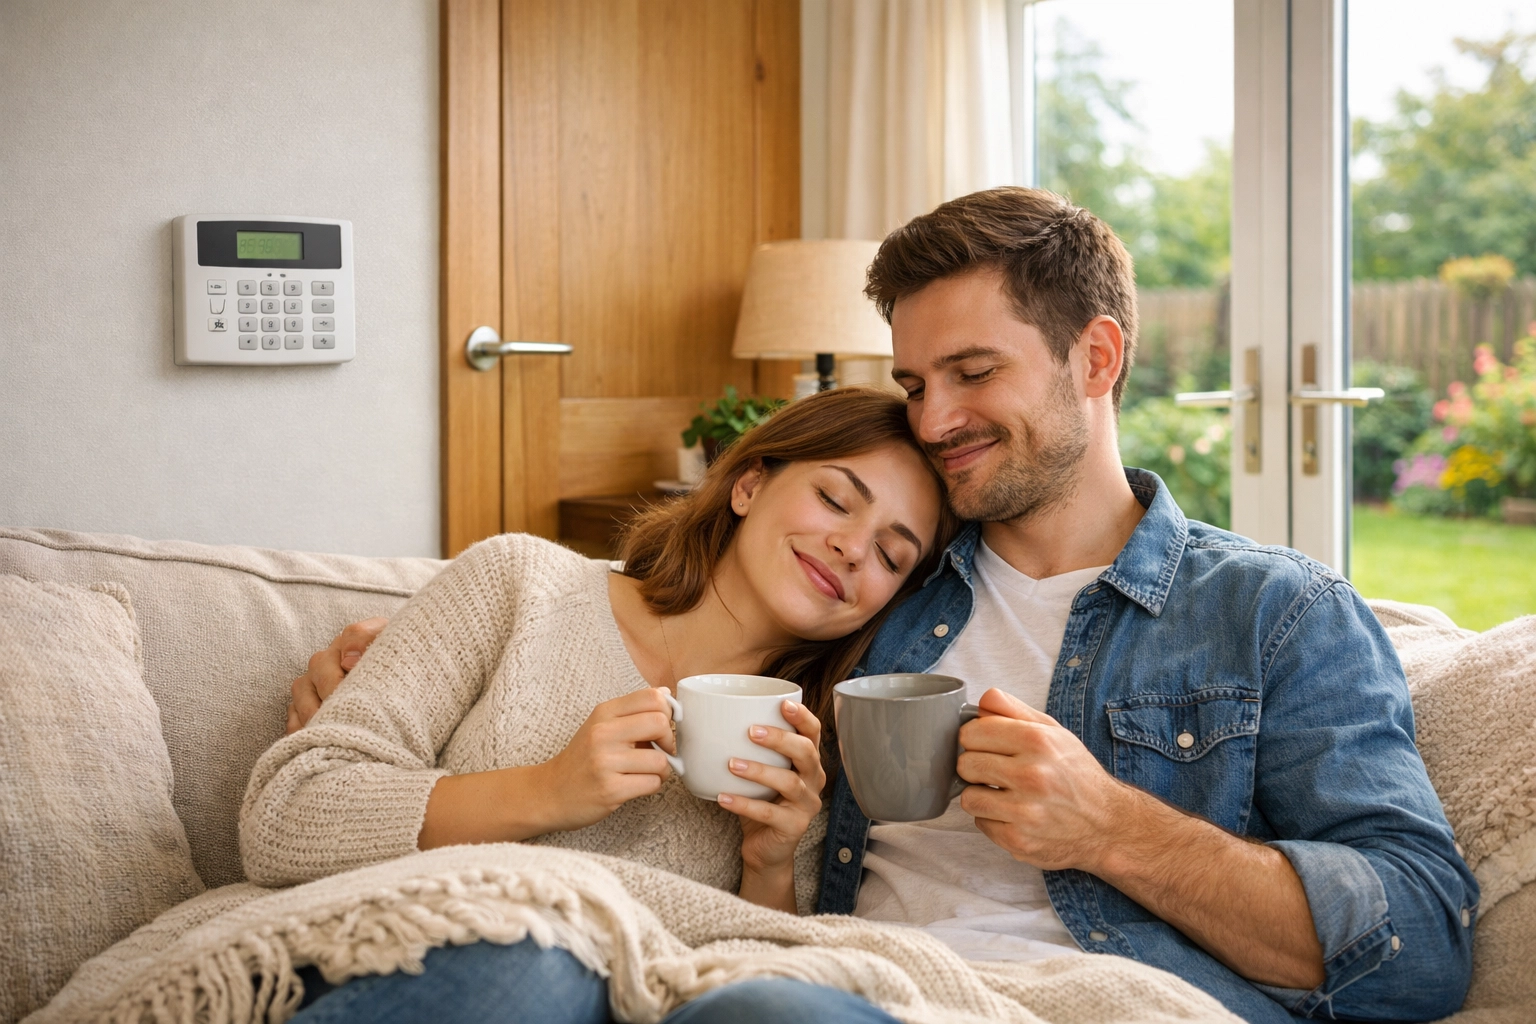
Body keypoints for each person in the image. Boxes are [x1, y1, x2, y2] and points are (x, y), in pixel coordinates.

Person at [298, 188, 1478, 1024]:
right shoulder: (881, 595)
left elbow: (1420, 944)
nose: (935, 417)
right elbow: (673, 624)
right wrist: (396, 649)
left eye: (975, 373)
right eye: (916, 382)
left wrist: (1109, 825)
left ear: (1099, 359)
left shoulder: (1273, 614)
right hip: (832, 980)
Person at [243, 386, 955, 1024]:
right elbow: (286, 813)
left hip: (647, 999)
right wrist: (548, 790)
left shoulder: (807, 752)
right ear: (747, 484)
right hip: (437, 957)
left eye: (893, 556)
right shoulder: (519, 586)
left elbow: (754, 980)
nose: (853, 547)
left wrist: (768, 863)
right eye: (835, 499)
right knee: (530, 961)